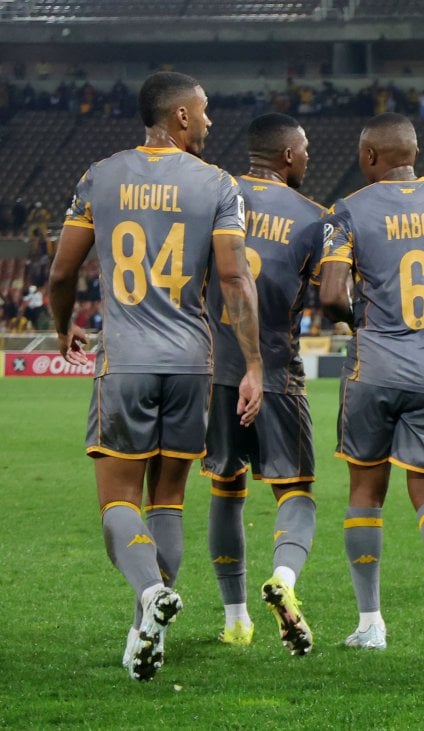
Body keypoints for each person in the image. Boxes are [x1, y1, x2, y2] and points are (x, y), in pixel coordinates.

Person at [47, 71, 262, 681]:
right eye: (206, 110)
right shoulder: (217, 184)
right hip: (193, 362)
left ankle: (147, 598)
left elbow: (62, 274)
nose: (212, 122)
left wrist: (64, 324)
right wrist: (250, 362)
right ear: (182, 118)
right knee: (167, 501)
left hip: (126, 362)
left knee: (118, 500)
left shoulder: (100, 175)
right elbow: (233, 279)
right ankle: (148, 633)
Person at [318, 113, 424, 661]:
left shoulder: (349, 210)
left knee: (365, 494)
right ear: (414, 151)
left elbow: (333, 295)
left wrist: (362, 321)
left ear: (368, 158)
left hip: (373, 372)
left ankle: (371, 623)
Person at [202, 112, 326, 655]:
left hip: (213, 371)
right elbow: (336, 293)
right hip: (274, 369)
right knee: (295, 490)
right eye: (304, 151)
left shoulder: (212, 197)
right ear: (286, 156)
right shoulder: (314, 218)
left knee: (225, 490)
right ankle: (285, 579)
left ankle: (235, 620)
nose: (308, 158)